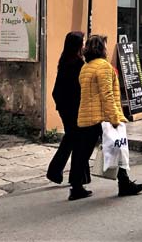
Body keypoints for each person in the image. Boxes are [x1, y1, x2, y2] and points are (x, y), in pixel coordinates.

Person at [69, 35, 142, 201]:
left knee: (82, 152)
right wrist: (115, 117)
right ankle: (124, 183)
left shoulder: (86, 67)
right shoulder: (104, 67)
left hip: (87, 115)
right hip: (102, 116)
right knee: (119, 148)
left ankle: (76, 186)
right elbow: (107, 94)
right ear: (101, 48)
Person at [47, 32, 85, 184]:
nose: (83, 45)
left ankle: (57, 171)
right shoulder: (77, 63)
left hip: (63, 104)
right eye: (82, 42)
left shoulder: (64, 60)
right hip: (72, 106)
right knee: (74, 139)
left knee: (71, 138)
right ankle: (58, 172)